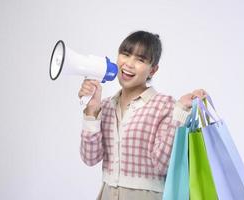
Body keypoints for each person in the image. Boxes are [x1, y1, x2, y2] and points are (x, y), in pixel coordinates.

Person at [78, 30, 207, 200]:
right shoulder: (106, 106)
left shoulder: (164, 105)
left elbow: (164, 166)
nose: (129, 64)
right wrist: (92, 110)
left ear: (153, 70)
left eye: (140, 59)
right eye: (126, 54)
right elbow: (90, 158)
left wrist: (180, 112)